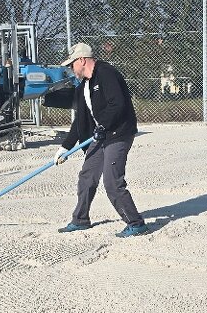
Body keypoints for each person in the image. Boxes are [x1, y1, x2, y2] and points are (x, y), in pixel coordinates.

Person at [53, 42, 147, 238]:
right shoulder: (83, 87)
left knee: (112, 181)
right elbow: (80, 121)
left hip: (118, 133)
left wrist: (102, 125)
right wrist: (65, 147)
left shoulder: (106, 73)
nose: (71, 69)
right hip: (100, 135)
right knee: (87, 176)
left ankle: (136, 223)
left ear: (82, 60)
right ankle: (80, 220)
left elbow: (118, 104)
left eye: (72, 65)